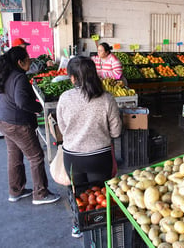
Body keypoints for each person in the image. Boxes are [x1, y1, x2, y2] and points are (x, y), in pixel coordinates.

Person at [56, 56, 122, 238]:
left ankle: (78, 225)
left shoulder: (64, 98)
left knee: (79, 195)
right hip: (99, 158)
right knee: (100, 195)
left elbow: (62, 129)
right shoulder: (107, 99)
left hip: (73, 157)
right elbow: (116, 131)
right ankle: (101, 228)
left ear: (72, 78)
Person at [0, 46, 61, 205]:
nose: (30, 61)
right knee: (36, 157)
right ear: (20, 62)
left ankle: (15, 191)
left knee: (15, 157)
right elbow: (22, 102)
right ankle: (40, 194)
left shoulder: (4, 75)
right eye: (28, 58)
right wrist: (38, 108)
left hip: (4, 122)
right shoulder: (19, 77)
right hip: (18, 124)